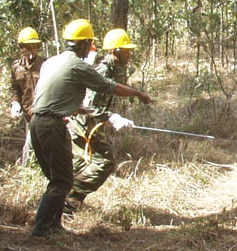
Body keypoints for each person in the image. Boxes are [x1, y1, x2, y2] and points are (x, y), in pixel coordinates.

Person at [28, 19, 152, 238]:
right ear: (84, 44)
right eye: (89, 44)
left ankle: (53, 226)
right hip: (52, 126)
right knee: (63, 181)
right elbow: (108, 87)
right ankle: (42, 228)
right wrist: (137, 94)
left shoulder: (50, 62)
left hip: (38, 123)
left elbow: (54, 95)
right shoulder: (78, 66)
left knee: (58, 178)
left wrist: (78, 109)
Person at [65, 28, 147, 214]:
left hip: (87, 125)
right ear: (116, 51)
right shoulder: (103, 69)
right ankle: (69, 202)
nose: (129, 54)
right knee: (105, 163)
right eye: (126, 50)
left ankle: (67, 203)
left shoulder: (111, 69)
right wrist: (112, 117)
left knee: (80, 165)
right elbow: (88, 105)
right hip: (81, 125)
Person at [10, 27, 45, 163]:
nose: (31, 50)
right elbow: (15, 89)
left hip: (43, 111)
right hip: (28, 113)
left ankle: (27, 167)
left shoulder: (45, 65)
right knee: (34, 143)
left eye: (34, 47)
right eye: (27, 47)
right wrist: (15, 103)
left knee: (33, 144)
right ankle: (31, 168)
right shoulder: (16, 67)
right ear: (21, 48)